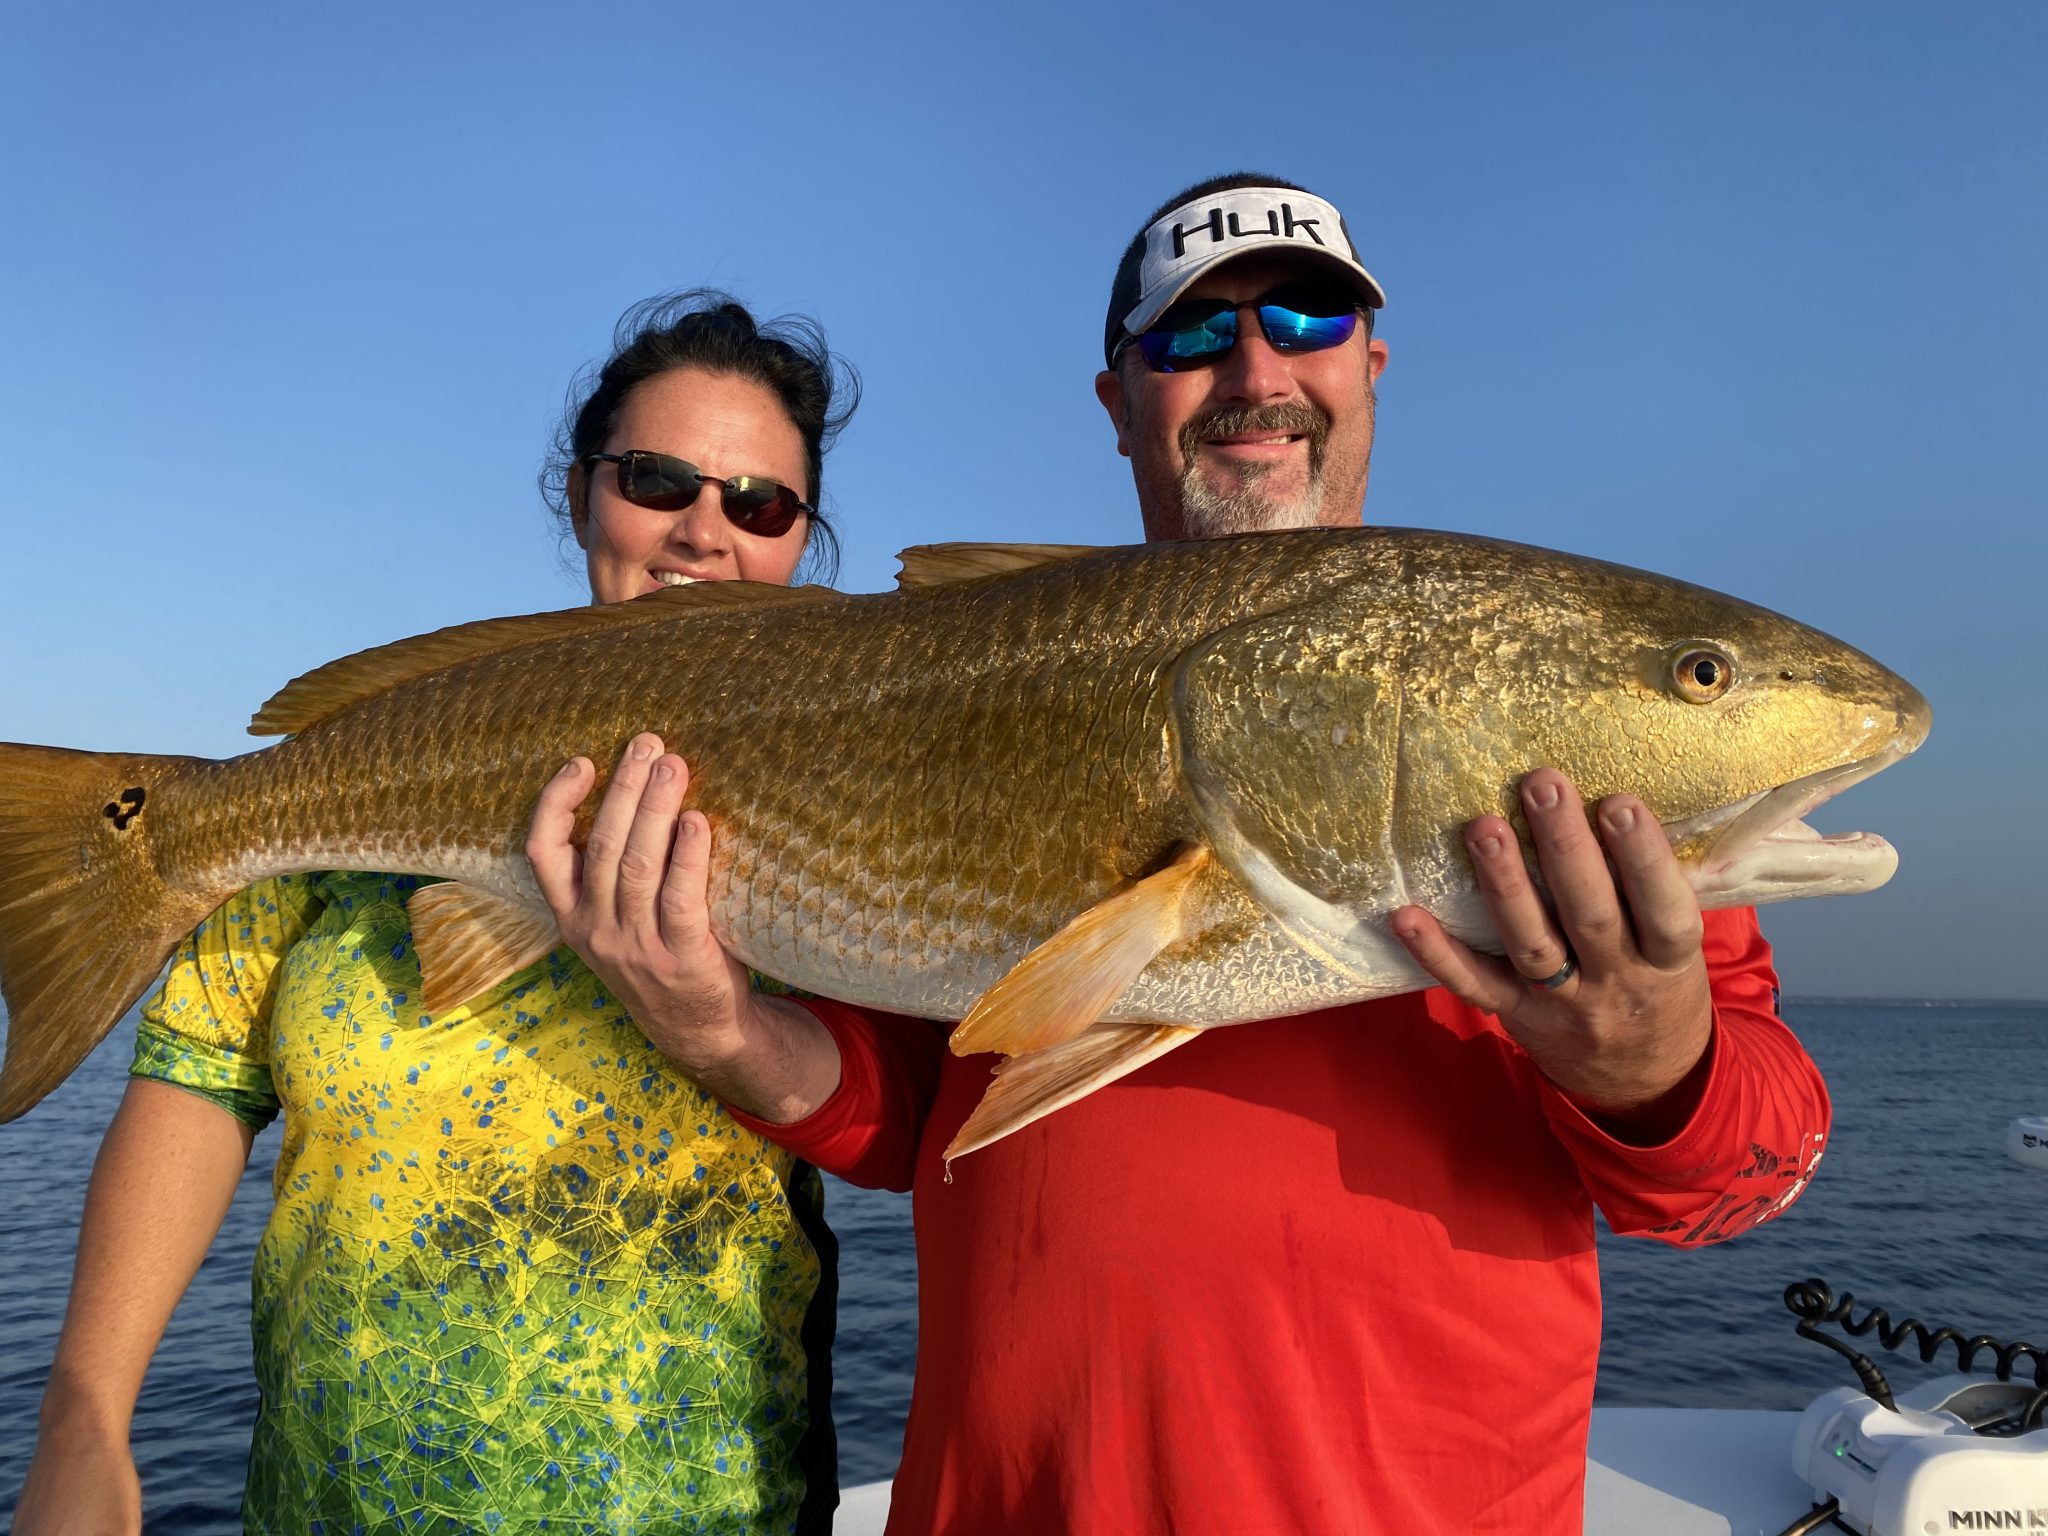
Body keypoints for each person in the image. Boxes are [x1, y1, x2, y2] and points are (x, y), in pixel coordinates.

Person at [530, 178, 1831, 1535]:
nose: (1256, 369)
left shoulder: (1570, 799)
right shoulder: (972, 687)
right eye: (1191, 338)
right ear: (1119, 404)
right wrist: (727, 1034)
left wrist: (1652, 1071)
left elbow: (1744, 1175)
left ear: (1370, 366)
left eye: (1308, 318)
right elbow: (914, 1116)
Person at [15, 292, 859, 1536]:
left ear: (799, 544)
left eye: (760, 503)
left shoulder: (873, 790)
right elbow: (196, 1090)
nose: (703, 527)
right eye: (656, 478)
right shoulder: (362, 776)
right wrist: (82, 1416)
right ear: (581, 493)